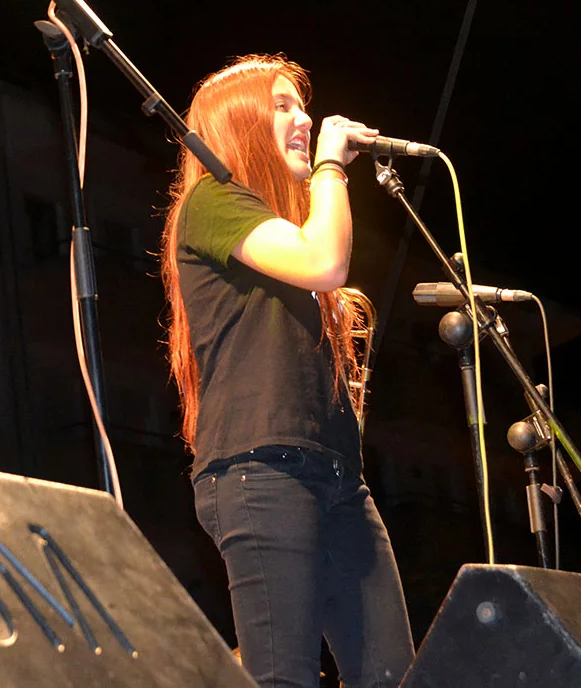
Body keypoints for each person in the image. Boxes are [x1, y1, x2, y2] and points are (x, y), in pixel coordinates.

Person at [161, 54, 415, 688]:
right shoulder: (210, 202)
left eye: (301, 105)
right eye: (281, 107)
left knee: (395, 677)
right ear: (240, 125)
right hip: (259, 470)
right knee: (284, 677)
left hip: (338, 479)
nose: (305, 118)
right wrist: (332, 167)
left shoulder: (278, 232)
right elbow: (325, 262)